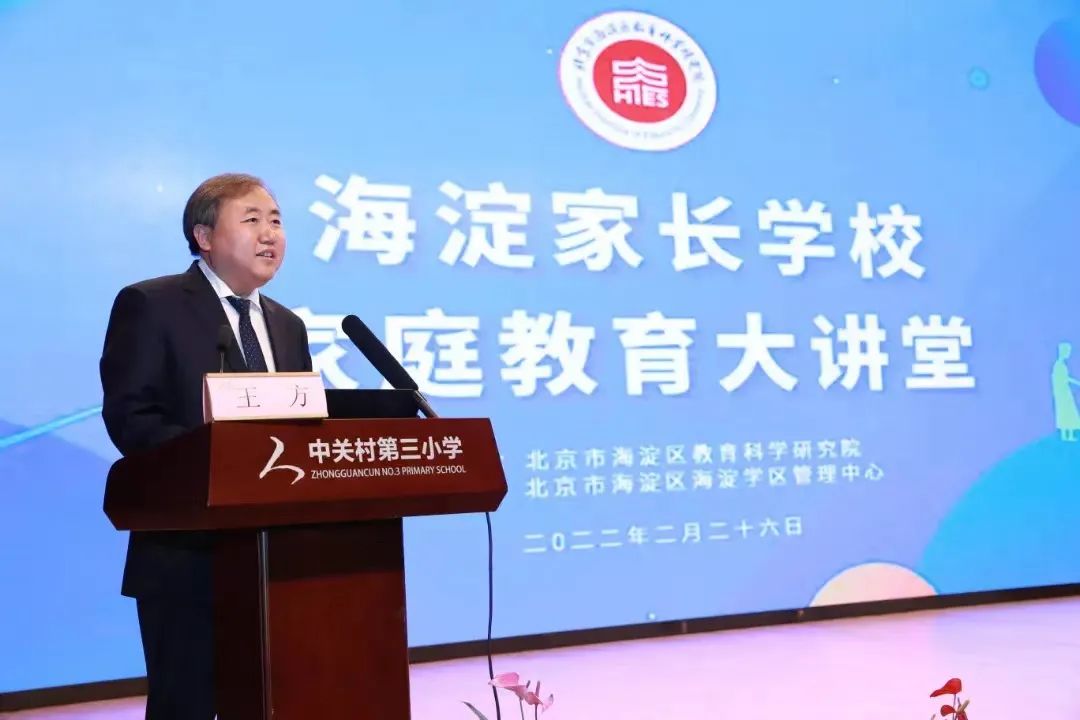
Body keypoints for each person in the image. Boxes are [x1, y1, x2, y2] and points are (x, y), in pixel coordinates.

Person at [99, 173, 313, 719]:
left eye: (276, 221)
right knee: (186, 706)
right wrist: (221, 465)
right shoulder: (152, 304)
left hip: (275, 559)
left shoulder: (287, 325)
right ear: (204, 236)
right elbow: (132, 418)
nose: (270, 234)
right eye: (252, 219)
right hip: (187, 556)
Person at [1051, 341, 1080, 442]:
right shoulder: (1059, 366)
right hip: (1062, 393)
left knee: (1068, 412)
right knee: (1066, 412)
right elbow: (1063, 379)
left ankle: (1069, 435)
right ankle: (1066, 435)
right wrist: (1077, 383)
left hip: (1064, 392)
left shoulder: (1061, 365)